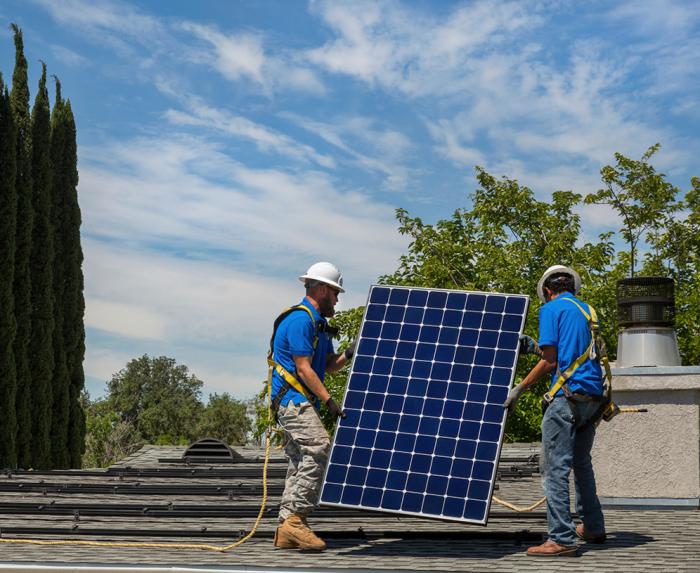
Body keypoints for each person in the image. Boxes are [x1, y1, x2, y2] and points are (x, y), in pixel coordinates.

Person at [504, 265, 607, 557]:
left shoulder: (550, 310)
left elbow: (551, 362)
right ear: (572, 287)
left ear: (548, 291)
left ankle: (561, 537)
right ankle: (593, 526)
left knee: (553, 469)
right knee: (581, 463)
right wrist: (535, 347)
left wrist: (519, 389)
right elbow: (573, 352)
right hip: (592, 398)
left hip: (565, 399)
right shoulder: (588, 310)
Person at [270, 262, 356, 551]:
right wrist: (331, 402)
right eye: (334, 293)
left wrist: (350, 351)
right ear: (321, 289)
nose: (337, 299)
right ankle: (296, 520)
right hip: (292, 401)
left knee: (299, 459)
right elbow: (304, 369)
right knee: (319, 447)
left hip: (302, 402)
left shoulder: (319, 325)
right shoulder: (300, 321)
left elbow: (329, 367)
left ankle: (286, 528)